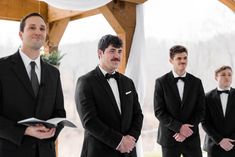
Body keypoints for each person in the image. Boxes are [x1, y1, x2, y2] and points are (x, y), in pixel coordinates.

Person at [0, 13, 66, 157]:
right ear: (21, 34)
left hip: (46, 152)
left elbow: (60, 113)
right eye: (32, 28)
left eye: (42, 29)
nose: (38, 32)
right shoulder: (2, 68)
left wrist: (52, 130)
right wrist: (25, 131)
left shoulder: (54, 73)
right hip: (12, 152)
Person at [75, 34, 143, 157]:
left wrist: (131, 139)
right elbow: (90, 121)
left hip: (129, 152)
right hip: (99, 152)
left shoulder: (128, 82)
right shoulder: (85, 82)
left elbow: (138, 114)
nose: (117, 56)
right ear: (100, 53)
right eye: (112, 51)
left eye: (119, 51)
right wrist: (119, 141)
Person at [153, 45, 205, 157]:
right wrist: (179, 128)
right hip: (169, 138)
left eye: (185, 58)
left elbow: (201, 110)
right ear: (171, 60)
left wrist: (186, 131)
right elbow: (159, 112)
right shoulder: (161, 82)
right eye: (179, 58)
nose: (183, 61)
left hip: (191, 138)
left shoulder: (197, 82)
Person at [202, 65, 235, 157]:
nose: (227, 77)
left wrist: (231, 140)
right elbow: (205, 122)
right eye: (223, 75)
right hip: (214, 145)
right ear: (216, 77)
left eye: (229, 75)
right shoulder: (206, 97)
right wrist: (220, 140)